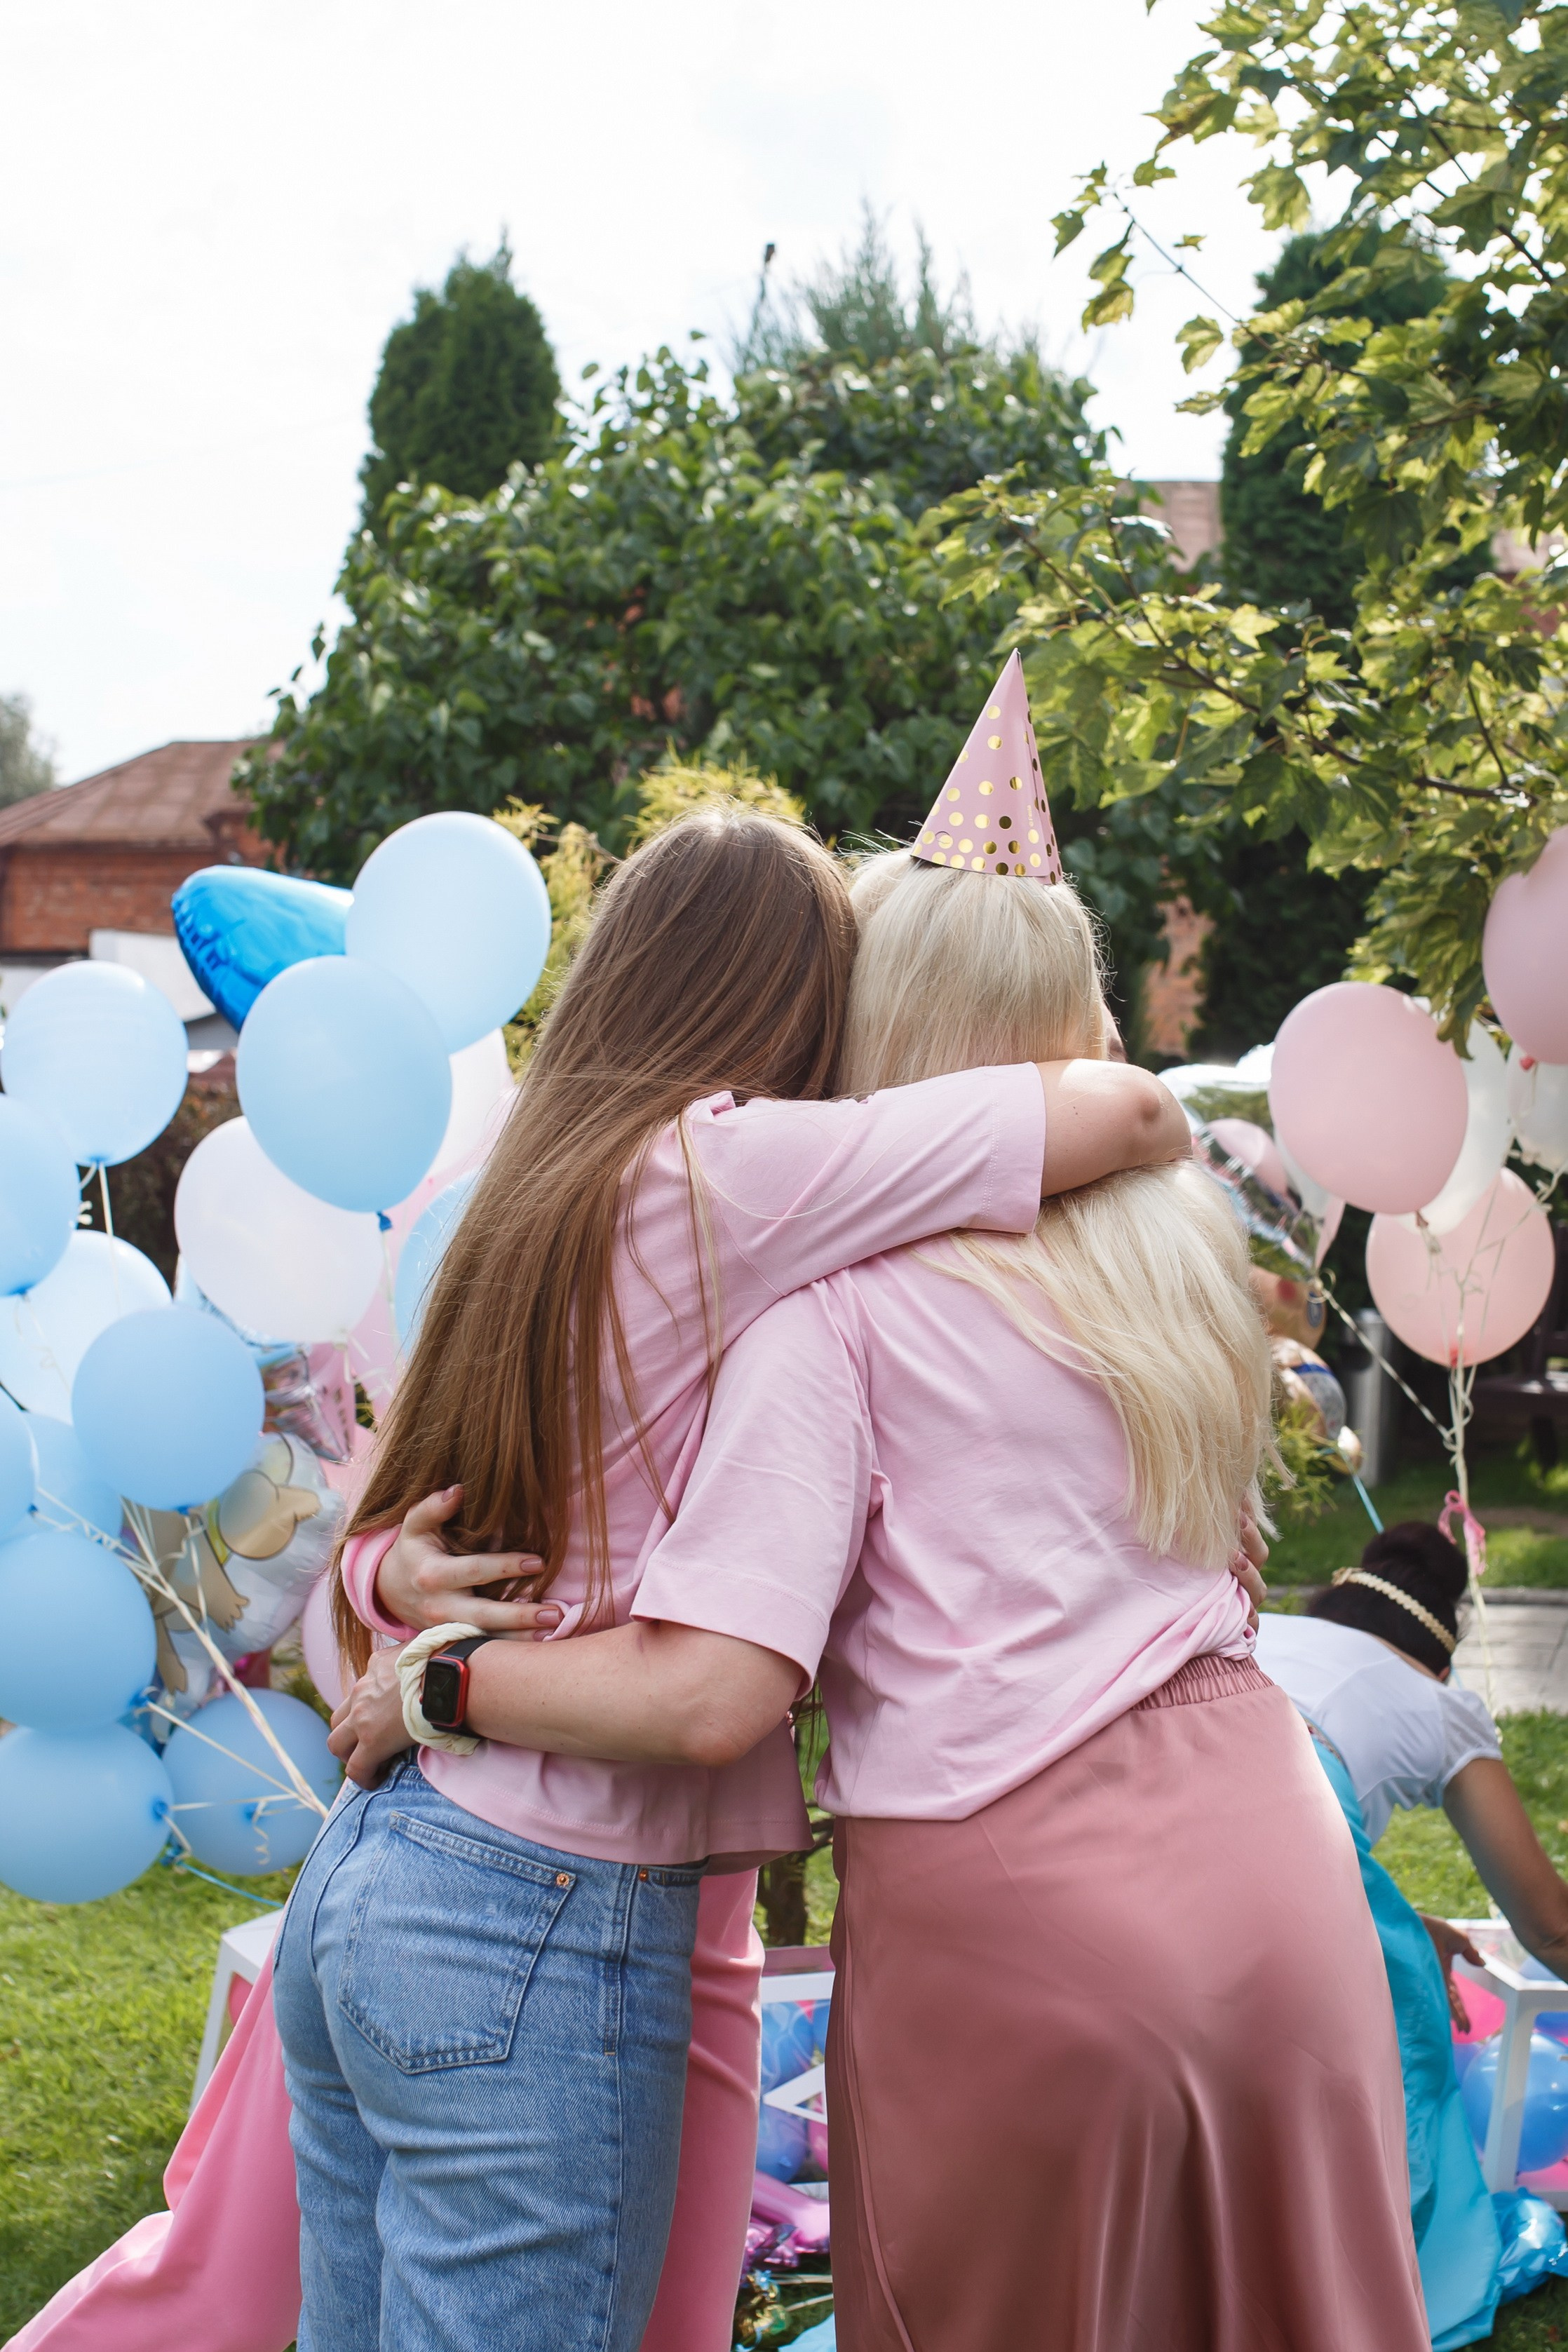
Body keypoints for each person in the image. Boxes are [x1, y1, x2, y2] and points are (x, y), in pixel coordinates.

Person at [333, 660, 1426, 2352]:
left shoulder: (689, 1253)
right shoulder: (1189, 1280)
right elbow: (1138, 1124)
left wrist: (419, 1647)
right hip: (1284, 1884)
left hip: (966, 1919)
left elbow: (687, 1675)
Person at [271, 779, 1194, 2352]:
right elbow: (1135, 1116)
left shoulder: (531, 1192)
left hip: (371, 1886)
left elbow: (361, 1563)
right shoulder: (726, 1170)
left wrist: (382, 1605)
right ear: (785, 1002)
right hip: (539, 1914)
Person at [1256, 1519, 1568, 2346]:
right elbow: (1549, 1925)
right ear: (1438, 1659)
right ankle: (1379, 2275)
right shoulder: (1441, 1702)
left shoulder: (1262, 1627)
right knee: (1411, 2047)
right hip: (1292, 1826)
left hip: (1133, 1805)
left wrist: (1396, 1914)